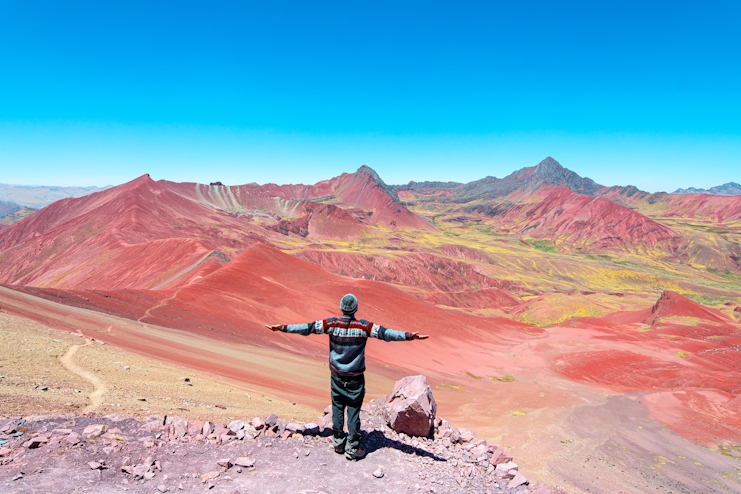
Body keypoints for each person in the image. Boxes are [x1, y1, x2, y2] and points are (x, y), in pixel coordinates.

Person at [266, 293, 429, 460]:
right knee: (353, 411)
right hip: (355, 379)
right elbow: (386, 334)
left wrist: (283, 327)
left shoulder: (331, 324)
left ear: (341, 308)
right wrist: (409, 336)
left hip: (336, 376)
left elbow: (307, 328)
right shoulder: (363, 327)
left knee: (337, 408)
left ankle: (338, 442)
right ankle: (352, 447)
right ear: (355, 309)